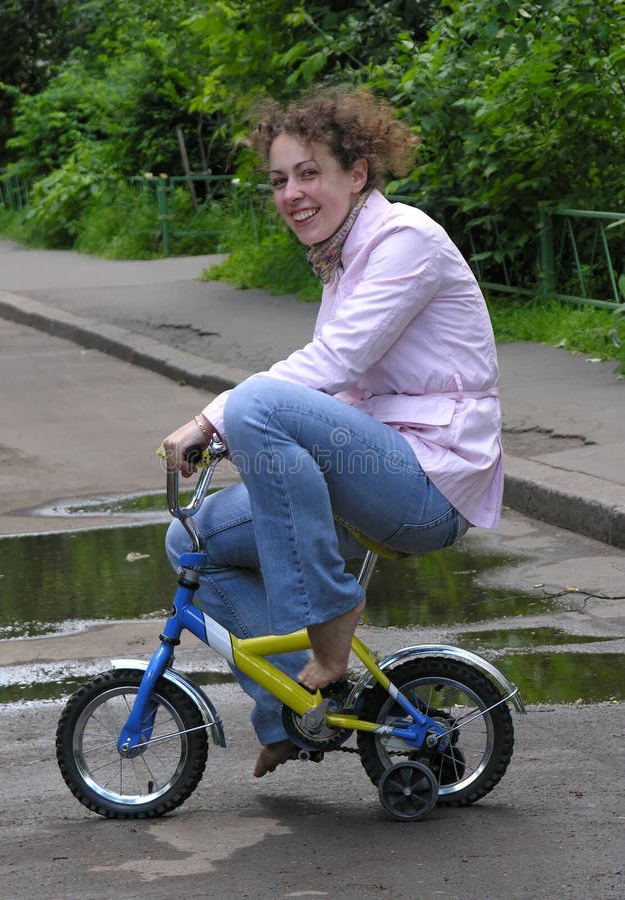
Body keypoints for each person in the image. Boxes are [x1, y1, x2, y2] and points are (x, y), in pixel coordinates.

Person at [160, 87, 503, 778]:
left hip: (427, 478)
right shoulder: (342, 259)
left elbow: (334, 362)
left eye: (309, 173)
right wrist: (239, 438)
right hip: (378, 462)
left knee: (257, 400)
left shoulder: (403, 239)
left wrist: (213, 417)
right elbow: (342, 391)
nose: (291, 193)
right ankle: (295, 710)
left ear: (358, 173)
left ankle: (328, 613)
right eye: (279, 179)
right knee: (190, 542)